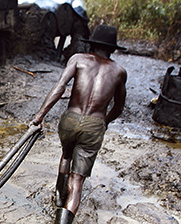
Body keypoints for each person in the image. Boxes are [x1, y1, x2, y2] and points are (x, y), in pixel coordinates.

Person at [29, 25, 127, 224]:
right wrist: (103, 123)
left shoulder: (78, 59)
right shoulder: (119, 71)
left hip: (70, 119)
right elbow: (118, 107)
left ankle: (58, 195)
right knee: (77, 180)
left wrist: (39, 115)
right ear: (112, 49)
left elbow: (59, 88)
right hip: (94, 125)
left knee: (66, 154)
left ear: (92, 45)